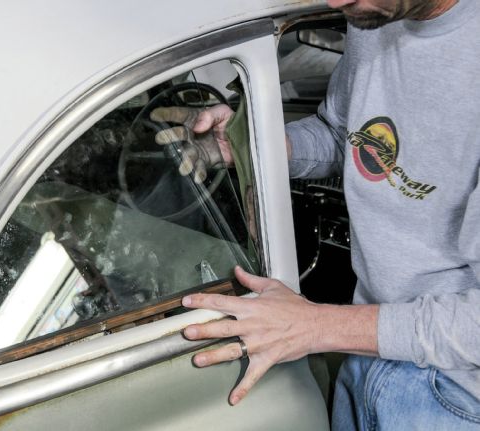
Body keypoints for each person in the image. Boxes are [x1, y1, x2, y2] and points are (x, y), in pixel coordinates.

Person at [154, 0, 480, 429]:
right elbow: (345, 136)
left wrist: (313, 325)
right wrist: (250, 142)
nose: (335, 2)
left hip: (456, 394)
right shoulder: (375, 16)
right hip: (368, 349)